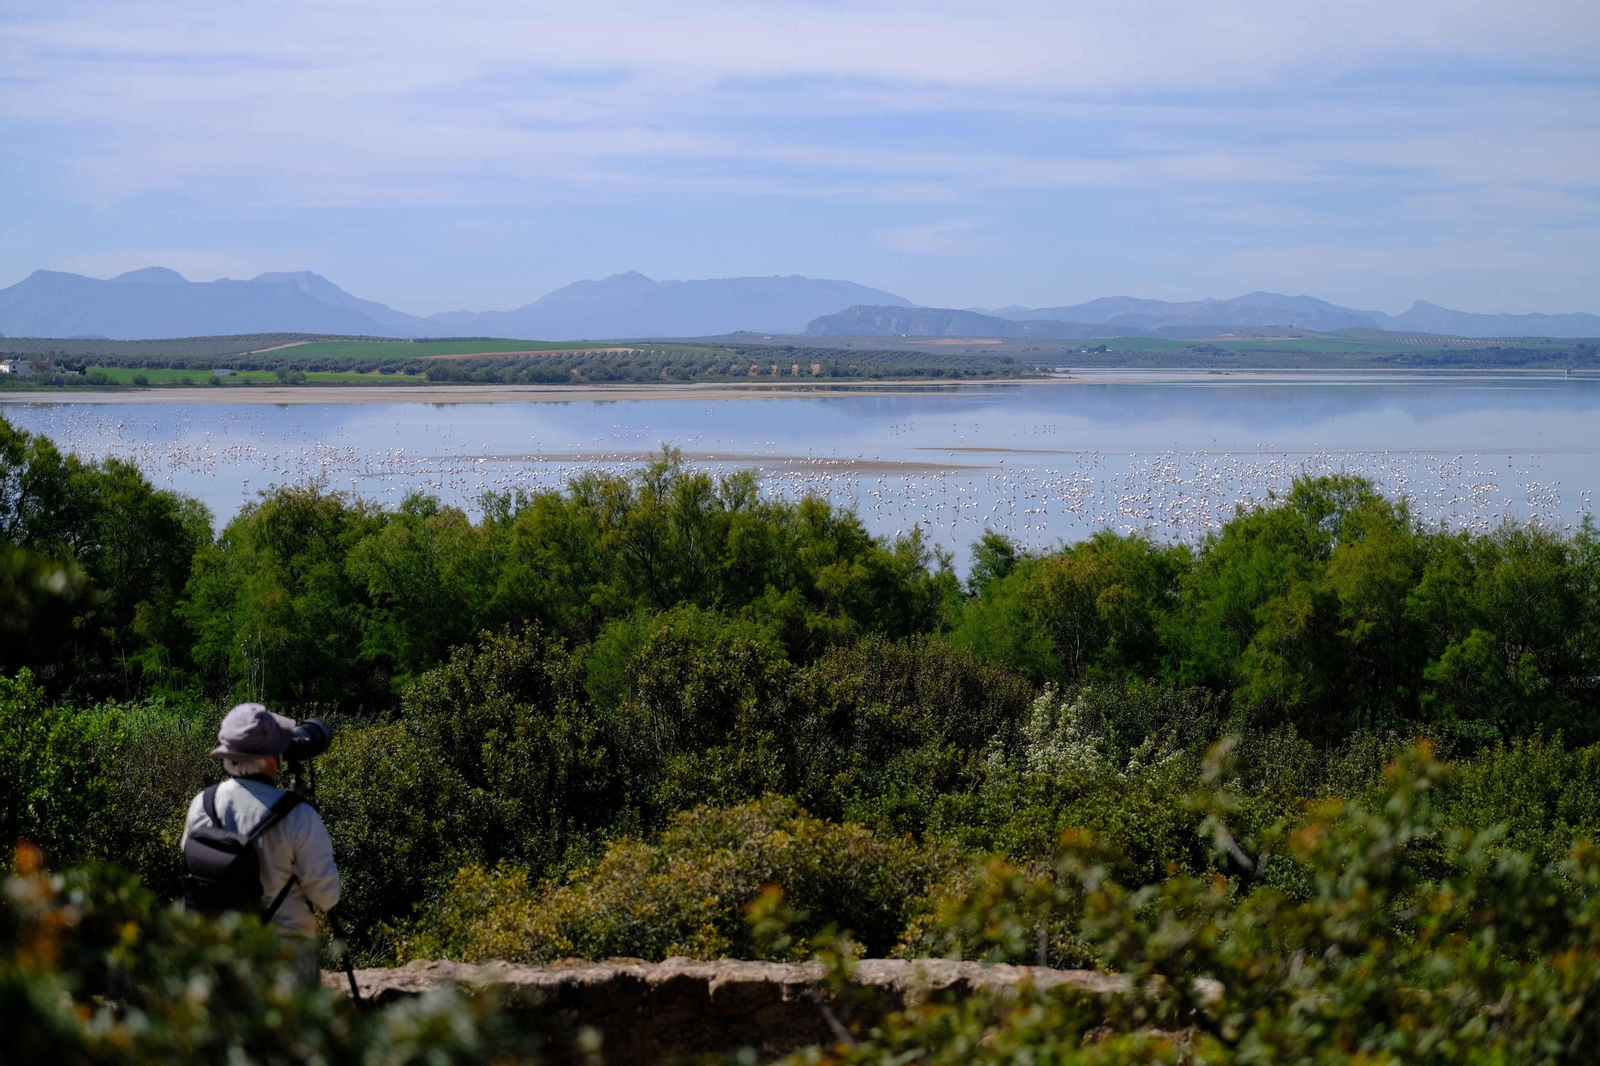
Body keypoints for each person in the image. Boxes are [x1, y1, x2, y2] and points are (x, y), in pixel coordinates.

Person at [181, 702, 342, 989]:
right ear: (271, 757)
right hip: (286, 960)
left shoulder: (203, 805)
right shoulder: (299, 816)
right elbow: (326, 897)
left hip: (222, 955)